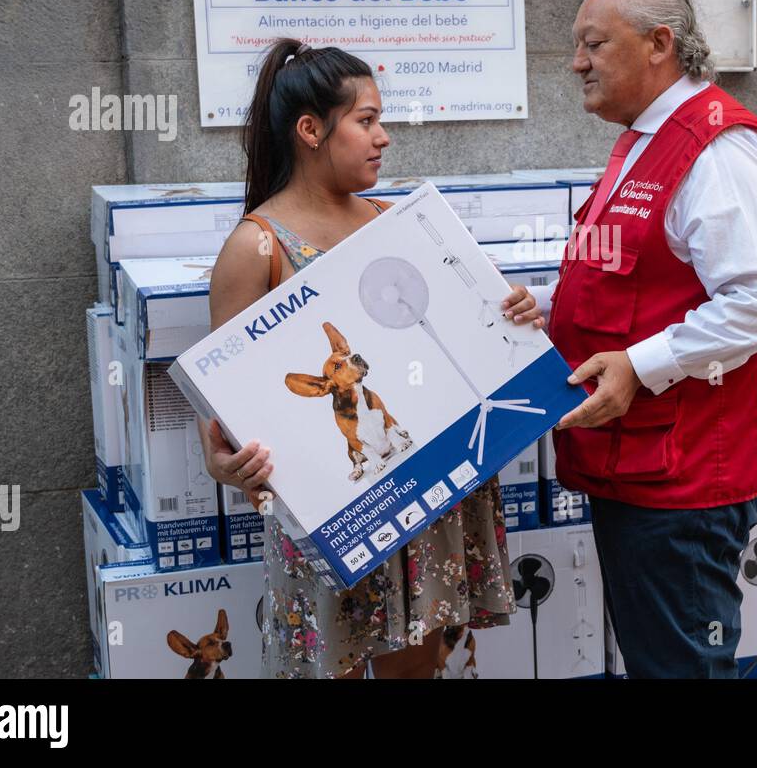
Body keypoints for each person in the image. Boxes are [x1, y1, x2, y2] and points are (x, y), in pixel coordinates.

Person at [199, 38, 545, 678]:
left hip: (426, 498)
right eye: (365, 121)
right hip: (338, 512)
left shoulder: (399, 224)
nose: (383, 137)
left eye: (381, 120)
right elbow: (220, 415)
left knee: (418, 670)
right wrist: (228, 465)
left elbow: (453, 346)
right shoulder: (257, 248)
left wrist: (512, 319)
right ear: (310, 130)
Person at [540, 0, 757, 678]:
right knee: (661, 660)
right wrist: (539, 308)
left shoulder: (715, 153)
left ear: (660, 44)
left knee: (679, 667)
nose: (577, 63)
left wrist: (640, 365)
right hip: (639, 465)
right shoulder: (647, 141)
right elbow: (633, 279)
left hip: (685, 474)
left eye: (593, 43)